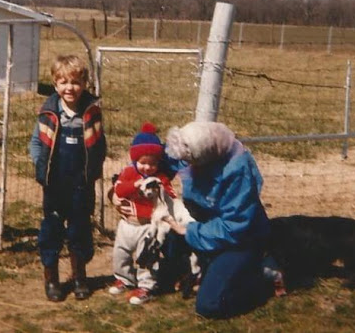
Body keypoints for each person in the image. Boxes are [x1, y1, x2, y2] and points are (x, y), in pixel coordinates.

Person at [163, 121, 272, 318]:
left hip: (239, 239)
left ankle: (264, 277)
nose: (186, 167)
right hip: (203, 226)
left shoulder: (238, 171)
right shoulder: (191, 149)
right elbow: (163, 159)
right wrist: (119, 190)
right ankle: (202, 270)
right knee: (166, 248)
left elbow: (234, 227)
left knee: (209, 305)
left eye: (190, 163)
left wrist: (189, 232)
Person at [29, 55, 106, 302]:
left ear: (84, 83)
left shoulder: (91, 112)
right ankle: (51, 279)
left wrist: (92, 172)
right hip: (55, 184)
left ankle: (79, 277)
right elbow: (36, 143)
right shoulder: (49, 112)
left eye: (74, 82)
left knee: (79, 229)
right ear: (55, 84)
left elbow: (100, 146)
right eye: (63, 82)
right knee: (51, 230)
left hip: (81, 185)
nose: (69, 88)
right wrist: (40, 165)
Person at [108, 122, 177, 305]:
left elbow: (170, 196)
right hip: (127, 223)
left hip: (147, 225)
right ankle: (124, 278)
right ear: (135, 160)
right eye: (143, 163)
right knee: (120, 253)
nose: (147, 168)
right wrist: (135, 185)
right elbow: (119, 189)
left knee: (146, 256)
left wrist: (161, 190)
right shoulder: (129, 173)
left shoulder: (160, 178)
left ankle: (146, 286)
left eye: (152, 164)